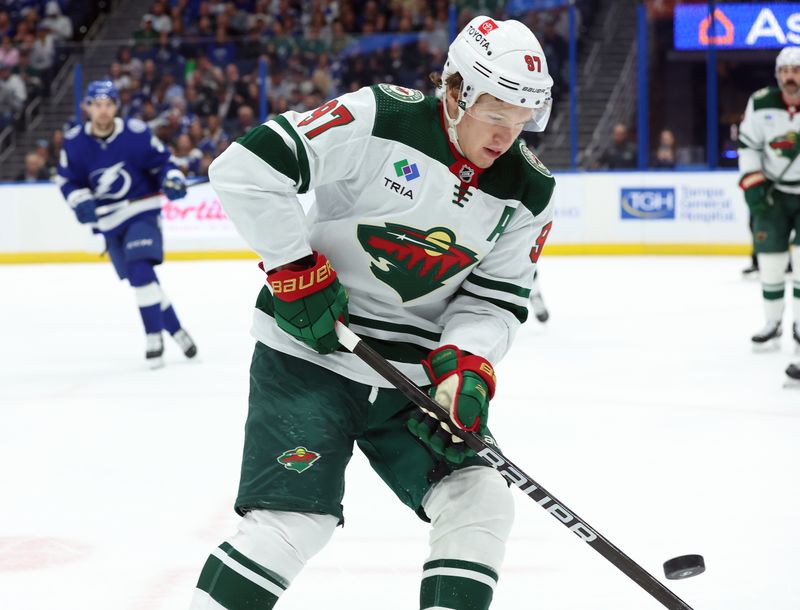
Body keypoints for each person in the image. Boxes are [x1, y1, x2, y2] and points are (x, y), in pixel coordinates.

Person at [190, 15, 555, 610]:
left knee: (480, 498)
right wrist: (291, 267)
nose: (505, 138)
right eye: (495, 115)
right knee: (291, 524)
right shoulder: (379, 118)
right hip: (311, 358)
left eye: (519, 122)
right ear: (457, 91)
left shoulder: (529, 191)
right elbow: (246, 169)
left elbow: (494, 300)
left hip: (410, 384)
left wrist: (465, 369)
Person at [57, 80, 197, 368]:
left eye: (108, 104)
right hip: (108, 222)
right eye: (97, 105)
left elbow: (163, 164)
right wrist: (79, 199)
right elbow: (67, 180)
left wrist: (172, 179)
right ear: (88, 107)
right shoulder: (74, 142)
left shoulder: (135, 134)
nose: (103, 111)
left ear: (116, 106)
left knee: (139, 268)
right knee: (140, 278)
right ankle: (177, 331)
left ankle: (153, 337)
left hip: (141, 210)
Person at [738, 47, 800, 371]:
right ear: (777, 75)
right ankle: (773, 322)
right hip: (773, 193)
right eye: (785, 70)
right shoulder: (761, 102)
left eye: (797, 70)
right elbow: (748, 146)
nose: (791, 76)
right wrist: (754, 185)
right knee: (771, 263)